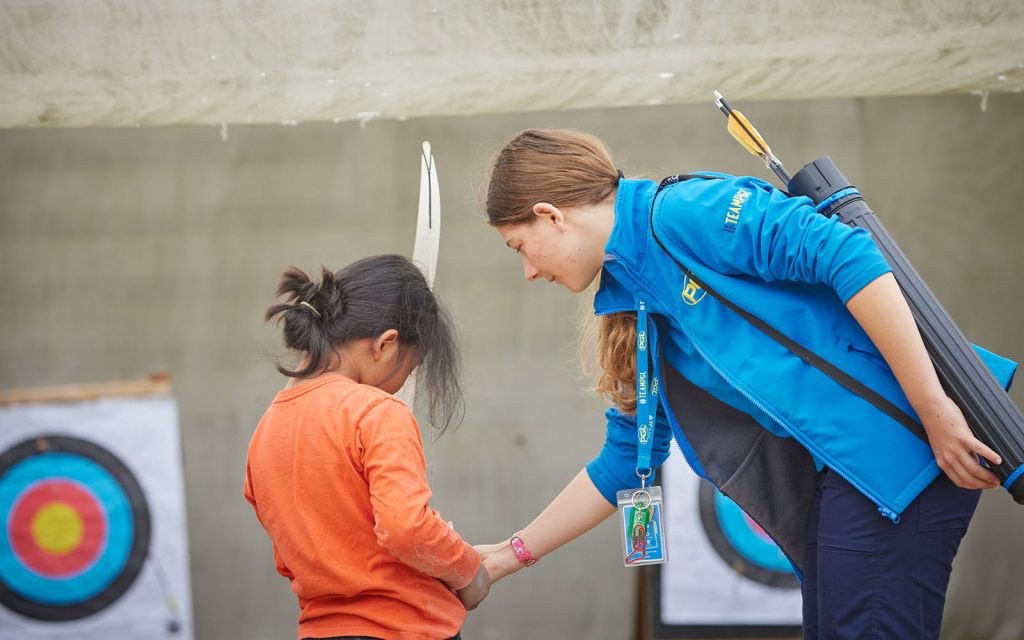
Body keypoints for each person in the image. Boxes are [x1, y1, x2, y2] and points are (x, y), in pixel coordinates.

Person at [475, 129, 1016, 639]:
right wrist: (503, 558)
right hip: (853, 475)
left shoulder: (683, 214)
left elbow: (847, 253)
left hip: (906, 453)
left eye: (519, 246)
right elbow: (623, 461)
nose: (528, 271)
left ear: (550, 215)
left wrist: (935, 409)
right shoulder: (631, 304)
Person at [243, 255, 489, 640]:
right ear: (386, 344)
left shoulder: (265, 432)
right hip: (403, 629)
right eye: (411, 367)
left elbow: (290, 559)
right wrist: (467, 569)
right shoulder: (376, 412)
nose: (403, 383)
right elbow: (406, 527)